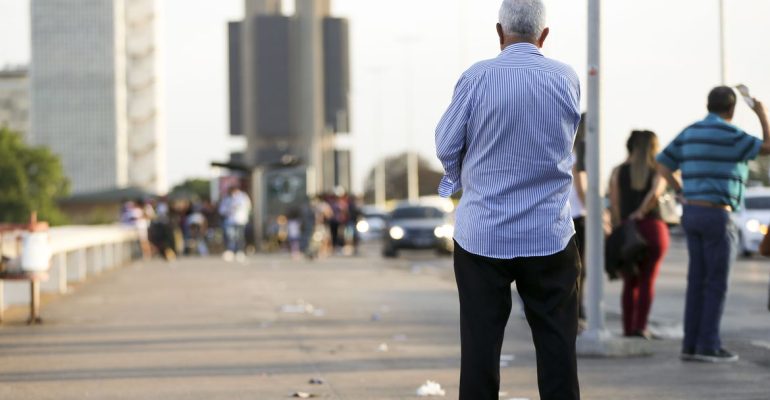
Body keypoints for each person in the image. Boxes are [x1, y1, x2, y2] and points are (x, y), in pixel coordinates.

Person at [435, 1, 581, 398]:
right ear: (544, 35)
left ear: (499, 32)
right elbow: (567, 142)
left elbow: (446, 144)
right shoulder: (566, 78)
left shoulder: (477, 77)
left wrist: (459, 179)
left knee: (480, 349)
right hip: (549, 234)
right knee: (557, 349)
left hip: (482, 235)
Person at [657, 86, 770, 362]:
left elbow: (662, 164)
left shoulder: (690, 132)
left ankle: (691, 344)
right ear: (731, 109)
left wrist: (681, 190)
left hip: (692, 213)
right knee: (716, 283)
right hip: (718, 214)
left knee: (696, 280)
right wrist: (761, 113)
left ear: (708, 105)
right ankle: (708, 344)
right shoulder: (731, 135)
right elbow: (768, 148)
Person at [609, 130, 669, 339]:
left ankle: (628, 329)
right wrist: (642, 212)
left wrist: (622, 225)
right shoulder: (659, 170)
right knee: (647, 280)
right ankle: (641, 327)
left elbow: (615, 205)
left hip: (627, 230)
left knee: (630, 282)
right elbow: (656, 194)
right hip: (653, 229)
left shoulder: (618, 171)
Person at [218, 185, 252, 262]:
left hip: (240, 220)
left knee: (239, 236)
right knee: (230, 236)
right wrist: (229, 210)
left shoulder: (243, 197)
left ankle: (240, 251)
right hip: (230, 220)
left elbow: (247, 206)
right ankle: (230, 251)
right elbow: (222, 210)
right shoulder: (227, 198)